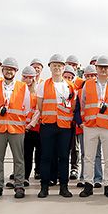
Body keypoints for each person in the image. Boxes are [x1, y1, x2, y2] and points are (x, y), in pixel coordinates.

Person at [79, 55, 108, 198]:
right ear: (96, 68)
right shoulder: (88, 84)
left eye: (106, 67)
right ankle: (88, 185)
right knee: (89, 157)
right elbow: (83, 103)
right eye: (100, 67)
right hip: (91, 126)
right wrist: (86, 120)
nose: (103, 70)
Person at [0, 57, 31, 199]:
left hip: (16, 128)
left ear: (16, 71)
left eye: (11, 69)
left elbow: (27, 108)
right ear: (3, 70)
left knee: (18, 158)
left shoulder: (22, 87)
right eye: (6, 69)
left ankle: (19, 185)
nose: (9, 71)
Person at [34, 54, 76, 198]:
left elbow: (73, 106)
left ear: (64, 68)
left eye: (59, 65)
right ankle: (44, 187)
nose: (57, 68)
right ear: (50, 67)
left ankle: (64, 187)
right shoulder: (43, 84)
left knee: (64, 157)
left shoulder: (70, 86)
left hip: (64, 127)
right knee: (46, 156)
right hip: (48, 125)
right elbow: (40, 105)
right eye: (54, 65)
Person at [75, 65, 103, 188]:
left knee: (96, 153)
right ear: (84, 77)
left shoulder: (101, 90)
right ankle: (84, 177)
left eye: (93, 75)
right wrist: (80, 123)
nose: (90, 77)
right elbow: (76, 110)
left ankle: (98, 178)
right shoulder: (80, 91)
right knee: (84, 154)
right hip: (84, 127)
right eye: (88, 76)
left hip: (97, 126)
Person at [18, 65, 39, 188]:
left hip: (35, 128)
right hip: (22, 128)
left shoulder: (37, 93)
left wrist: (31, 124)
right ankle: (24, 177)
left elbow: (38, 110)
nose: (28, 80)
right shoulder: (19, 92)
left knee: (38, 154)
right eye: (25, 77)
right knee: (26, 154)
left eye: (30, 77)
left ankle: (38, 173)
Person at [63, 65, 81, 181]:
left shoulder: (75, 90)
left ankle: (74, 168)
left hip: (73, 123)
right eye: (65, 77)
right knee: (63, 147)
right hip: (62, 122)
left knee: (75, 147)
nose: (67, 79)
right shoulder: (58, 88)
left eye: (70, 77)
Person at [30, 58, 44, 180]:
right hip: (26, 124)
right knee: (26, 151)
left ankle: (38, 170)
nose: (36, 69)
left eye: (38, 67)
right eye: (34, 67)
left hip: (40, 123)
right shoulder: (24, 84)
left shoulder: (44, 83)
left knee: (40, 150)